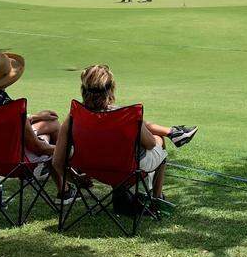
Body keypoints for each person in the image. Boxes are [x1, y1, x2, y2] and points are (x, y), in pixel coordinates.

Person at [52, 64, 198, 213]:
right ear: (111, 89)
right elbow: (150, 144)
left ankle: (124, 198)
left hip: (92, 171)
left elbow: (57, 162)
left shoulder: (72, 119)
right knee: (159, 140)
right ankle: (157, 198)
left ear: (83, 90)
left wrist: (75, 179)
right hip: (126, 170)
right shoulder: (126, 116)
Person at [0, 51, 59, 156]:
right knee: (52, 129)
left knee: (51, 123)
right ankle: (66, 168)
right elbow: (38, 147)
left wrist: (36, 116)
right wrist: (65, 150)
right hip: (13, 159)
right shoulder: (11, 107)